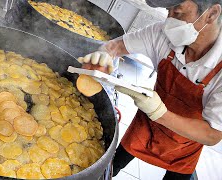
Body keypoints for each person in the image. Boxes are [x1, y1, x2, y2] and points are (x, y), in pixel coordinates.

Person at [77, 0, 222, 179]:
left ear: (212, 14)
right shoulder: (162, 33)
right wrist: (104, 54)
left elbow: (212, 135)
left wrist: (160, 113)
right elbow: (115, 46)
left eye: (177, 13)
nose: (169, 21)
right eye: (167, 11)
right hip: (146, 128)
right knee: (108, 167)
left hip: (185, 145)